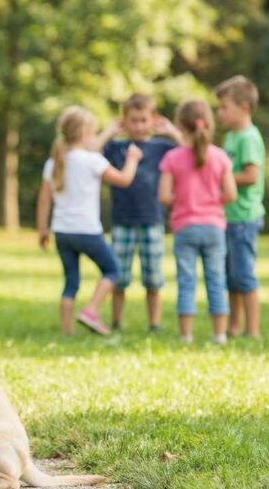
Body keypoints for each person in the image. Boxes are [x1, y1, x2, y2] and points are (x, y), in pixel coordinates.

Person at [36, 106, 142, 336]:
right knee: (113, 271)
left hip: (62, 231)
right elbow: (124, 180)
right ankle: (92, 310)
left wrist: (43, 230)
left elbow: (44, 200)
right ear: (85, 133)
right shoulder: (94, 160)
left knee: (71, 281)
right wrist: (132, 159)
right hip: (87, 230)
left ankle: (67, 330)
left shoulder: (53, 162)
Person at [97, 94, 182, 332]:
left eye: (143, 120)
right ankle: (116, 321)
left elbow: (192, 151)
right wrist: (109, 131)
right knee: (119, 276)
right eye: (132, 121)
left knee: (153, 278)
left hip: (152, 219)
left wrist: (172, 132)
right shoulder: (115, 147)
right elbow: (91, 152)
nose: (138, 126)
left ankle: (154, 323)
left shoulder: (162, 147)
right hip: (122, 219)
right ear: (124, 121)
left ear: (152, 120)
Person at [159, 100, 237, 344]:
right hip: (214, 227)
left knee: (186, 281)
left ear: (181, 126)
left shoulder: (173, 158)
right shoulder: (220, 157)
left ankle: (186, 335)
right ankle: (220, 334)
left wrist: (182, 202)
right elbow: (231, 194)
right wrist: (212, 202)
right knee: (216, 279)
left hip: (185, 228)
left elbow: (163, 196)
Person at [216, 76, 266, 339]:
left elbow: (250, 176)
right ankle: (234, 326)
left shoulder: (248, 138)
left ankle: (253, 329)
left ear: (243, 107)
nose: (219, 113)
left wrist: (218, 177)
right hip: (228, 216)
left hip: (245, 217)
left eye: (224, 107)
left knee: (244, 275)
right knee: (230, 277)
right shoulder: (230, 138)